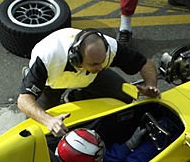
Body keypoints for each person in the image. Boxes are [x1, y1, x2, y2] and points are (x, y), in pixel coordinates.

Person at [17, 28, 160, 137]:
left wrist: (150, 85)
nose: (100, 67)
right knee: (38, 130)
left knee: (126, 99)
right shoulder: (48, 57)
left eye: (102, 62)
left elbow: (145, 63)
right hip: (51, 82)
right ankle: (30, 78)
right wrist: (49, 120)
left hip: (89, 77)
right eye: (94, 63)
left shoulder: (109, 50)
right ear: (76, 58)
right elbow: (23, 100)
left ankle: (75, 96)